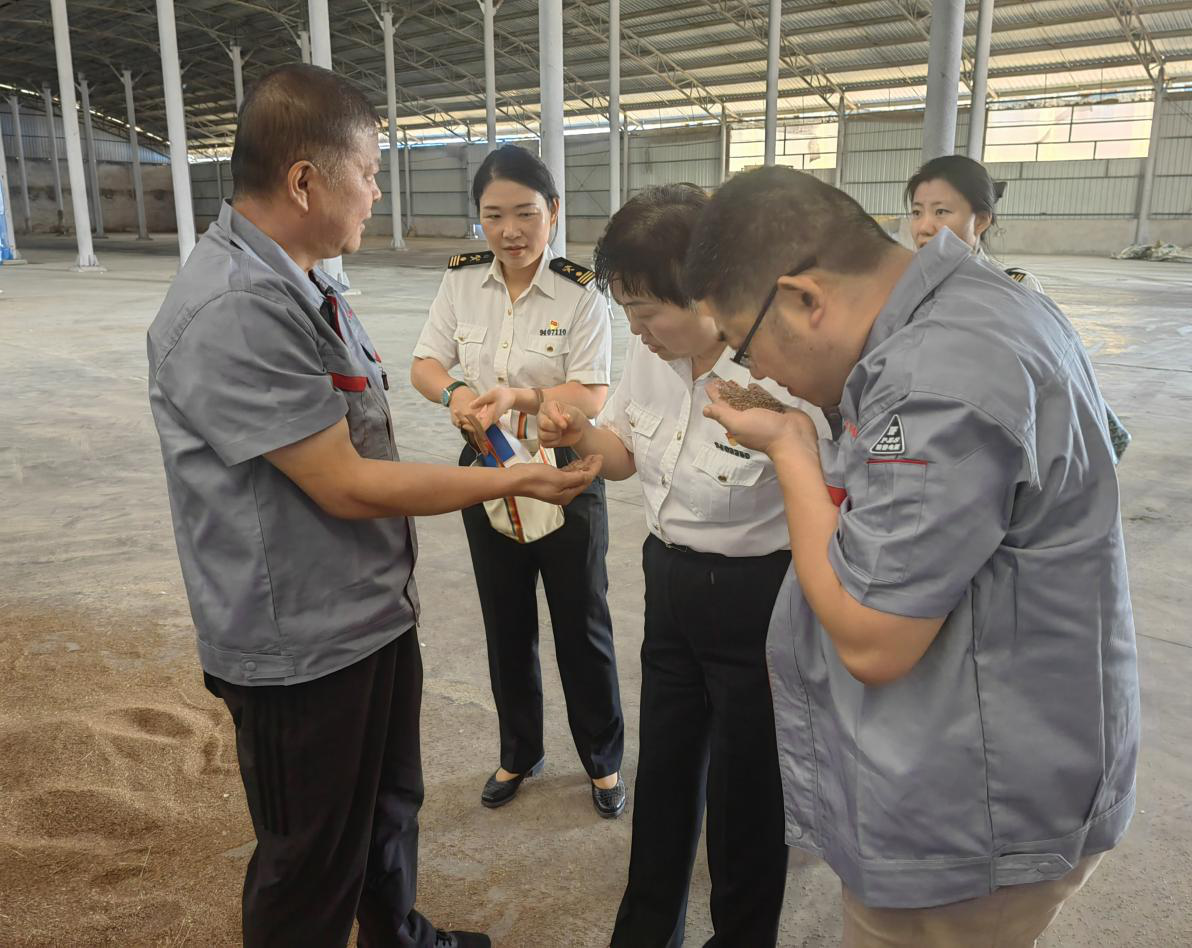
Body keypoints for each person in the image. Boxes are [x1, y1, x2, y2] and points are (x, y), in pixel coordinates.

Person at [147, 64, 597, 948]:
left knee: (389, 809)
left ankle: (401, 938)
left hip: (367, 613)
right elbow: (347, 482)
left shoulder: (308, 279)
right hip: (299, 643)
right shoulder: (237, 307)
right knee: (311, 859)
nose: (378, 190)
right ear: (305, 180)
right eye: (370, 170)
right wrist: (509, 477)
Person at [686, 166, 1139, 948]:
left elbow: (872, 638)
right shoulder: (980, 307)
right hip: (1005, 753)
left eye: (742, 342)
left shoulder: (936, 380)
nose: (752, 370)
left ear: (803, 299)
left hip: (976, 817)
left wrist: (793, 447)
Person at [537, 183, 826, 948]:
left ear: (712, 291)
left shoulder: (783, 374)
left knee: (745, 803)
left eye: (649, 309)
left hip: (757, 602)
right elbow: (625, 457)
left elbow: (830, 502)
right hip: (668, 586)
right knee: (663, 780)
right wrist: (575, 434)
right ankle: (643, 933)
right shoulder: (652, 355)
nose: (637, 328)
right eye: (626, 309)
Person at [410, 145, 626, 817]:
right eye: (494, 215)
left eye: (526, 214)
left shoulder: (580, 291)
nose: (510, 231)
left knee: (580, 622)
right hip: (487, 477)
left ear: (553, 213)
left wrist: (517, 398)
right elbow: (424, 362)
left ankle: (602, 760)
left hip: (562, 477)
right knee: (505, 622)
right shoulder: (461, 282)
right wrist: (454, 395)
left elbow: (592, 392)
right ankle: (519, 751)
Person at [906, 154, 1131, 460]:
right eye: (917, 212)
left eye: (941, 212)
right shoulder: (906, 294)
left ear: (981, 220)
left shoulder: (1018, 290)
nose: (924, 227)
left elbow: (1058, 382)